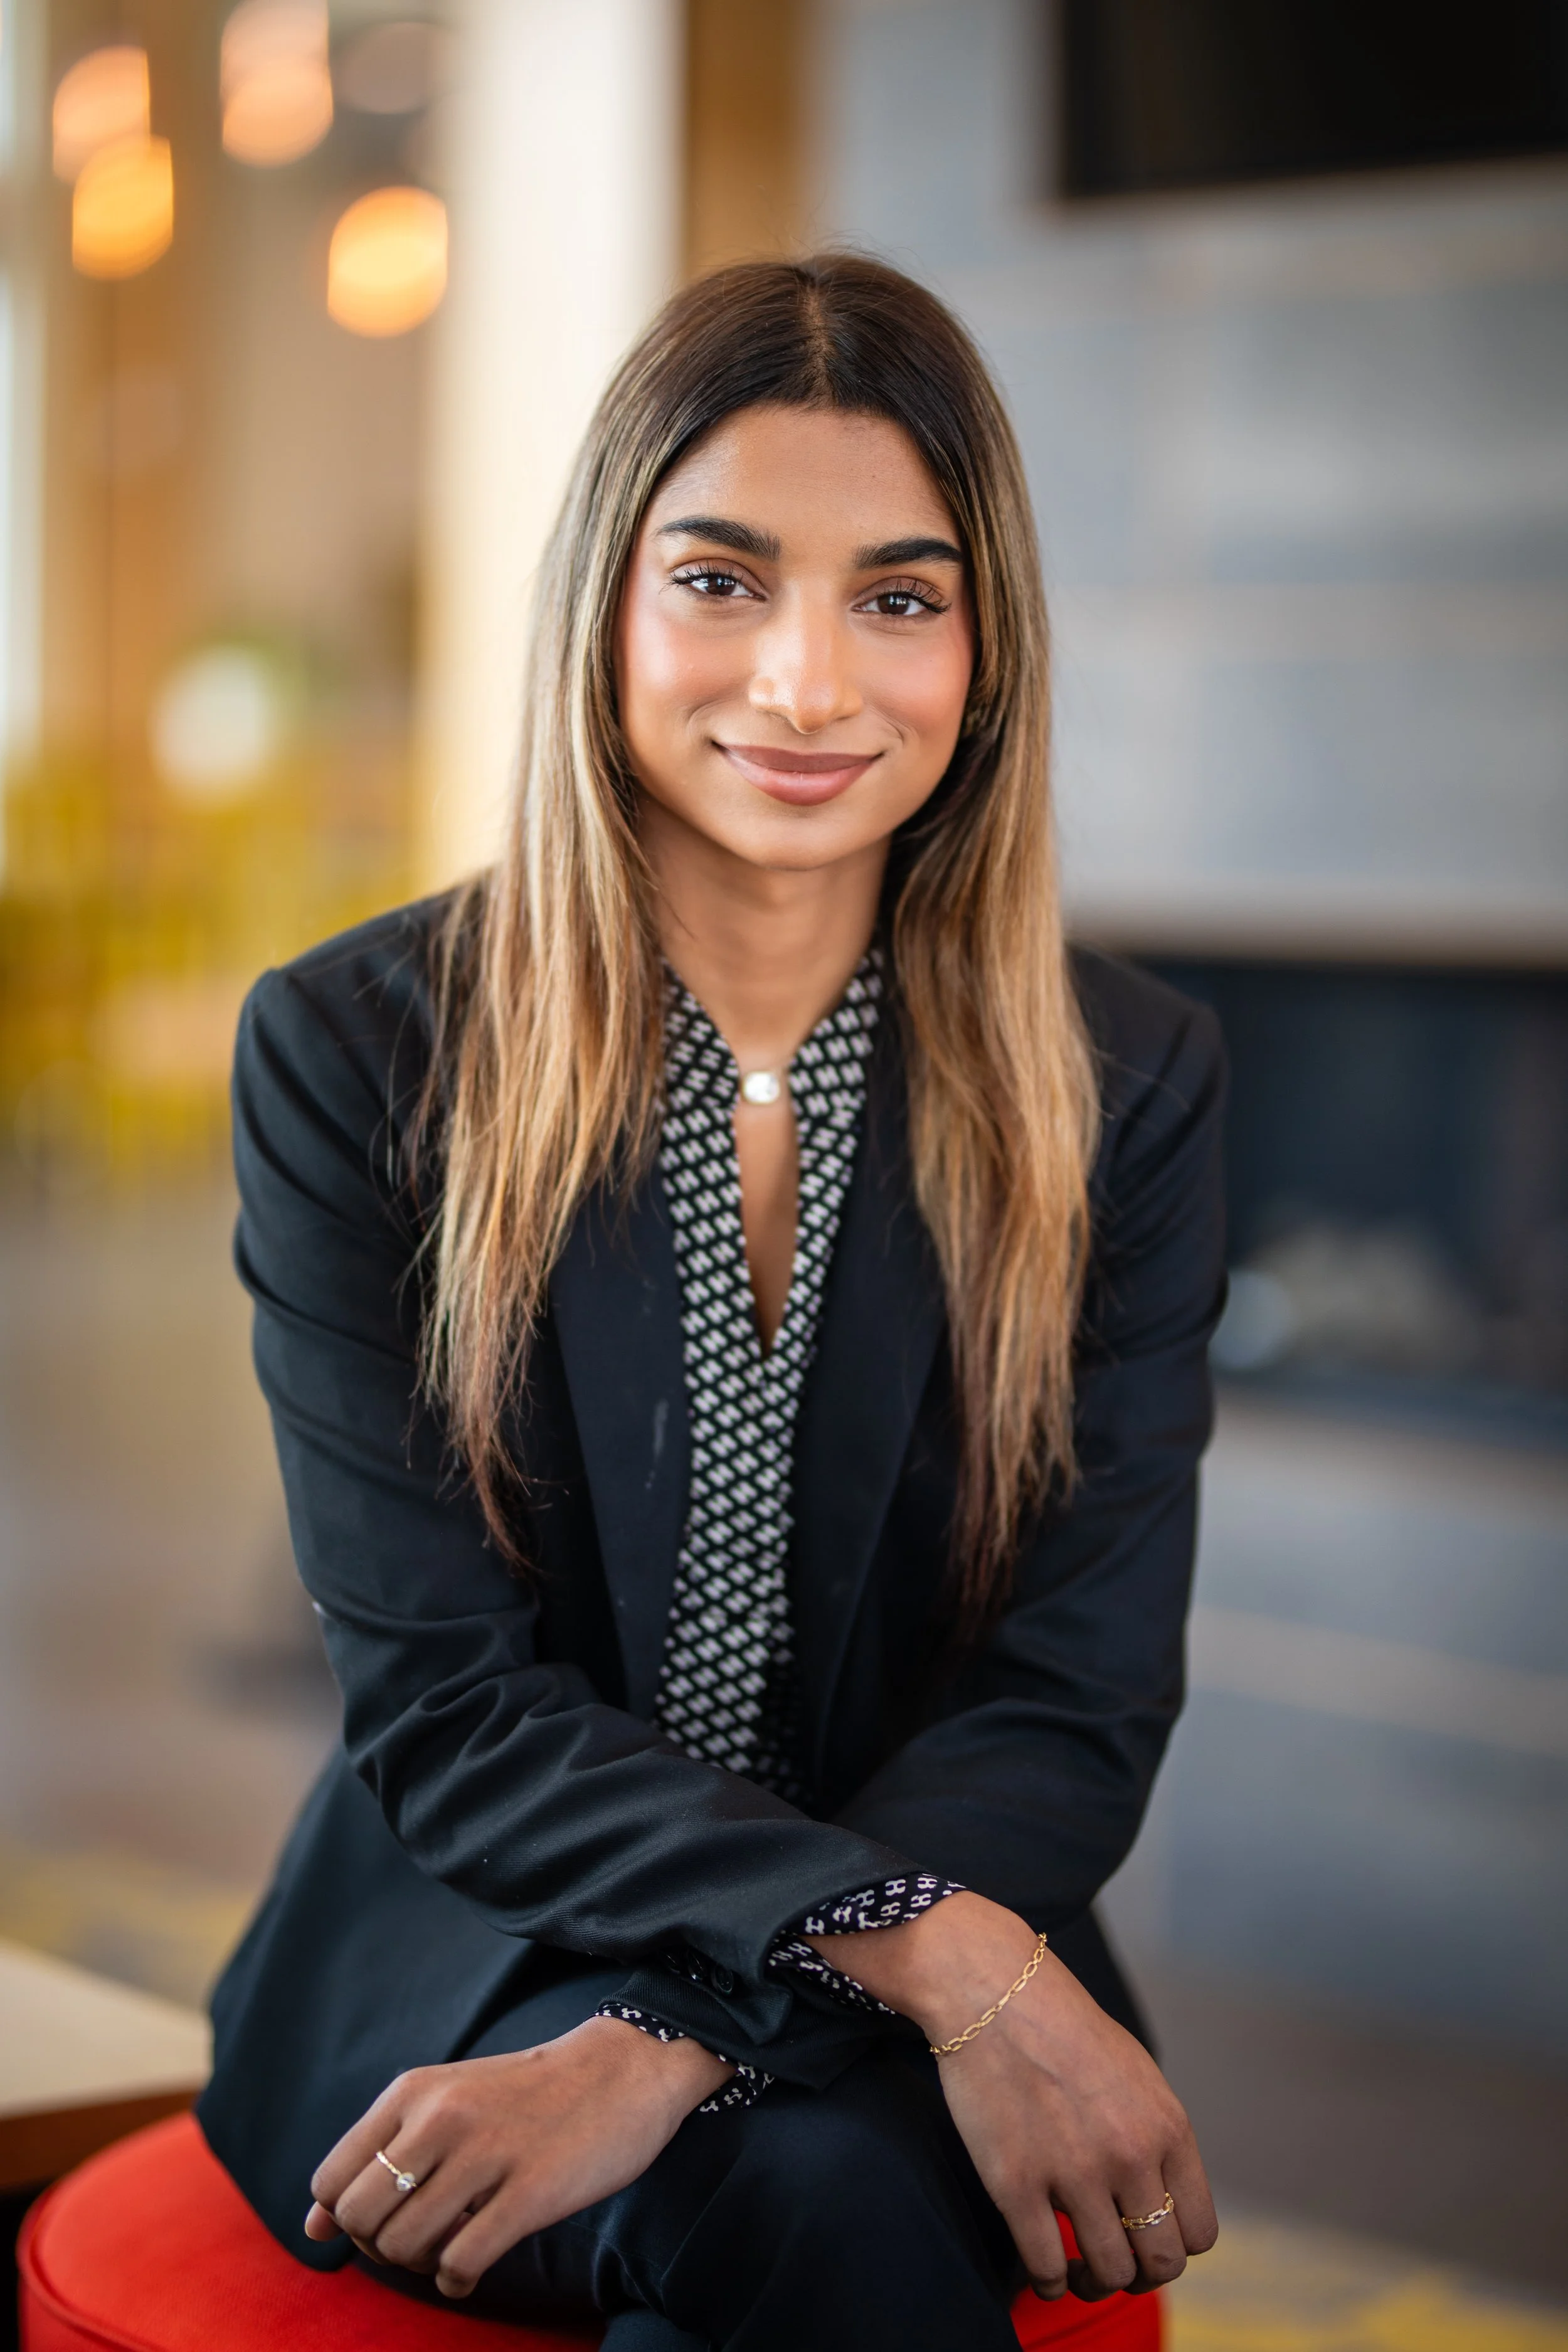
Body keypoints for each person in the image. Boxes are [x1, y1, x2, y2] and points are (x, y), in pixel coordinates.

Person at [199, 253, 1226, 2352]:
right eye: (725, 579)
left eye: (899, 596)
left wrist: (672, 2037)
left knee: (798, 2190)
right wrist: (932, 1963)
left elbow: (1074, 1686)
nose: (806, 685)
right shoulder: (358, 1054)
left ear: (987, 646)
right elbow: (448, 1704)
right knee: (821, 2211)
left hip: (943, 1900)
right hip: (483, 1935)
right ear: (607, 603)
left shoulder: (1127, 1082)